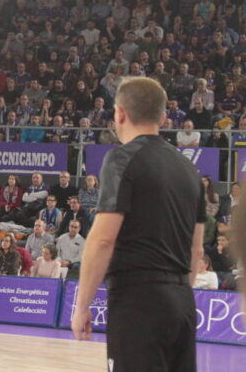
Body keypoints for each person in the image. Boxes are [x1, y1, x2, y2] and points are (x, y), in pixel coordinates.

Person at [71, 77, 206, 372]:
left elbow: (102, 239)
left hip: (138, 301)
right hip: (183, 302)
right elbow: (196, 250)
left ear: (120, 113)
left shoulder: (121, 158)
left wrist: (81, 306)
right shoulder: (189, 169)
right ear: (163, 117)